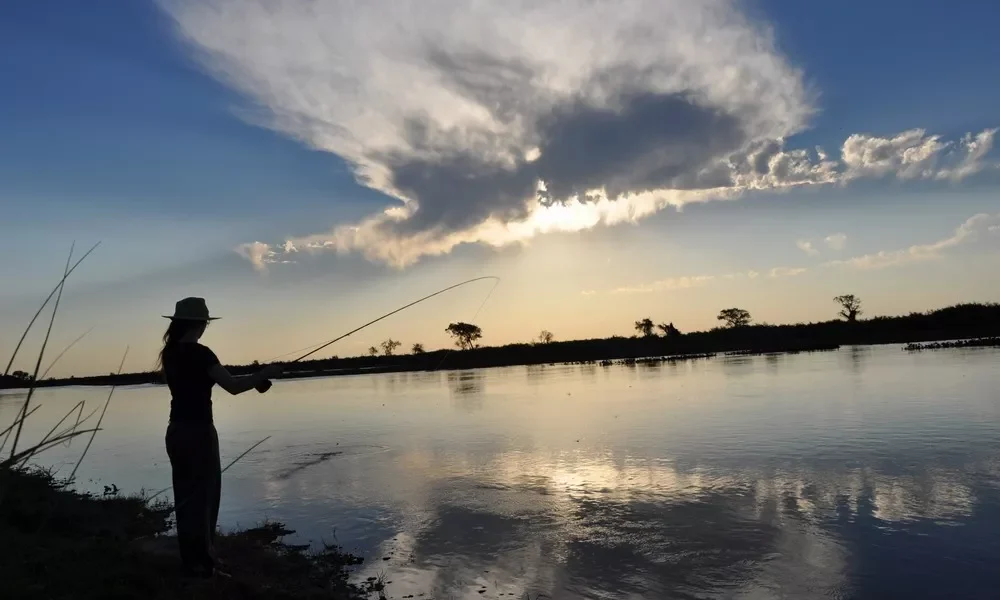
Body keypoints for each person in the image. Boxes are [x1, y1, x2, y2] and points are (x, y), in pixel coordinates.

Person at [157, 297, 282, 578]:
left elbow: (216, 379)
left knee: (186, 498)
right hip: (199, 432)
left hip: (176, 431)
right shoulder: (201, 353)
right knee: (205, 499)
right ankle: (204, 565)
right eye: (204, 324)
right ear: (200, 324)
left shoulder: (170, 353)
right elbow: (234, 387)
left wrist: (256, 379)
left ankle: (192, 561)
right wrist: (266, 373)